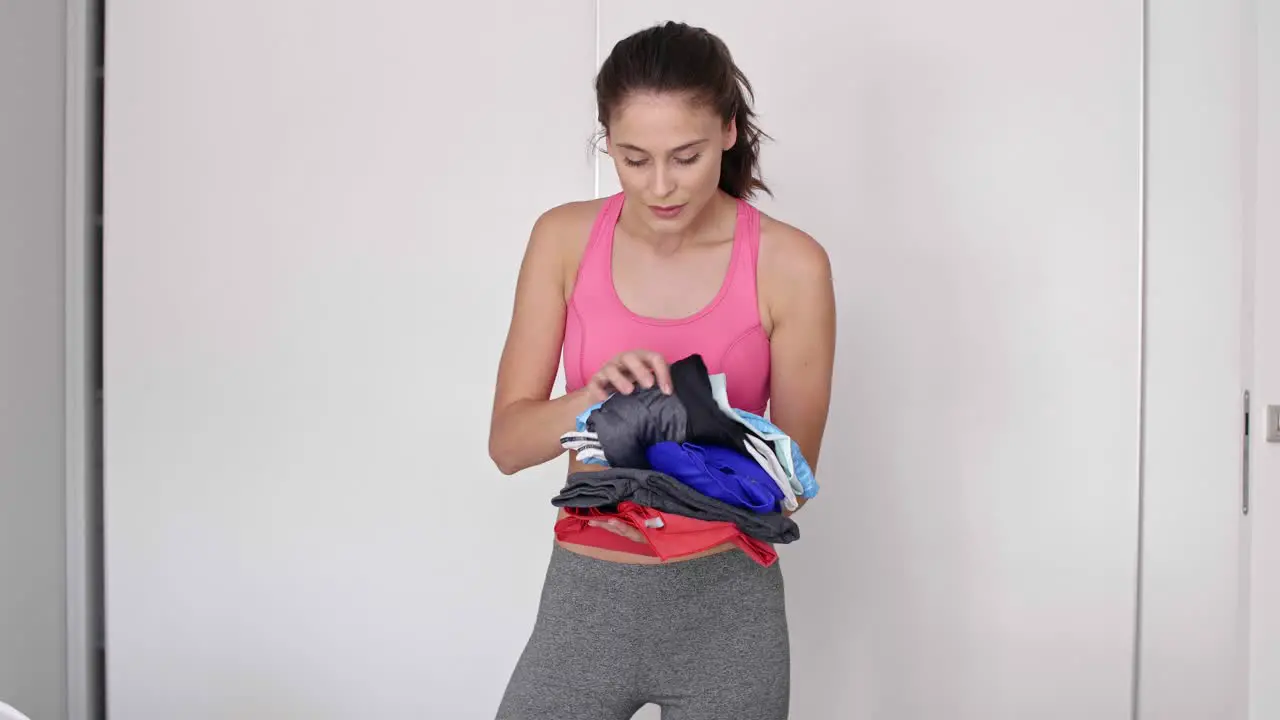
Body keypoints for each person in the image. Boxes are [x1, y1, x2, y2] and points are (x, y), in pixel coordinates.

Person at [487, 20, 836, 720]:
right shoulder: (562, 239)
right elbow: (507, 446)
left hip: (727, 614)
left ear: (730, 132)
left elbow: (791, 481)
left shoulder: (791, 264)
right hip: (586, 602)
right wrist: (596, 401)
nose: (661, 185)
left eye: (686, 155)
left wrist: (684, 420)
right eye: (633, 158)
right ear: (607, 143)